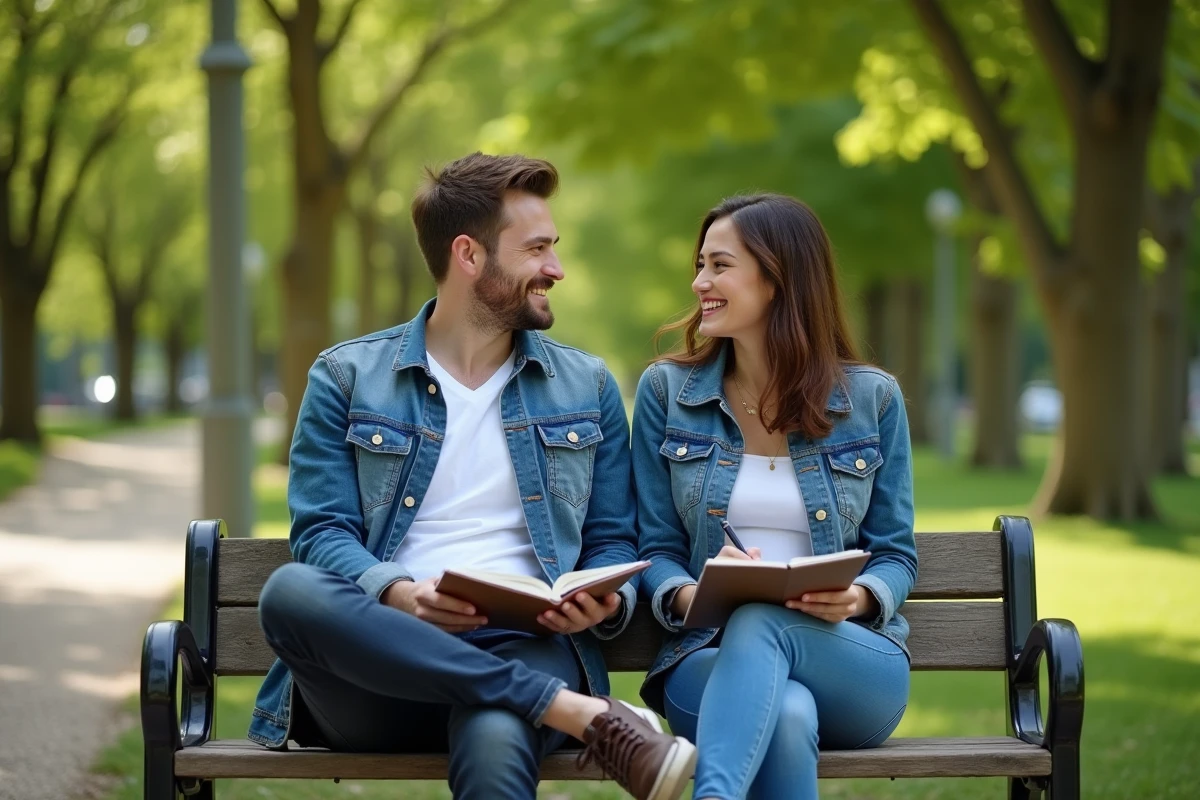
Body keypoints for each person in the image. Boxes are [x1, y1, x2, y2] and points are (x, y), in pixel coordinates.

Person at [249, 153, 696, 800]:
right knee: (289, 592)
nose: (556, 269)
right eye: (537, 249)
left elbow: (612, 541)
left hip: (527, 644)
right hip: (383, 668)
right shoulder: (348, 376)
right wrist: (401, 595)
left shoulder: (586, 384)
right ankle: (575, 712)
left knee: (495, 726)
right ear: (469, 254)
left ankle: (548, 701)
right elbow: (322, 534)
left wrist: (607, 599)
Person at [632, 193, 917, 799]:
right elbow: (653, 547)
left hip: (851, 662)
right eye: (700, 263)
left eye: (719, 265)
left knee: (764, 619)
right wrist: (690, 593)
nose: (699, 280)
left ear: (778, 278)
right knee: (785, 716)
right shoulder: (667, 392)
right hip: (707, 656)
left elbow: (896, 553)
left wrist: (860, 596)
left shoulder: (872, 400)